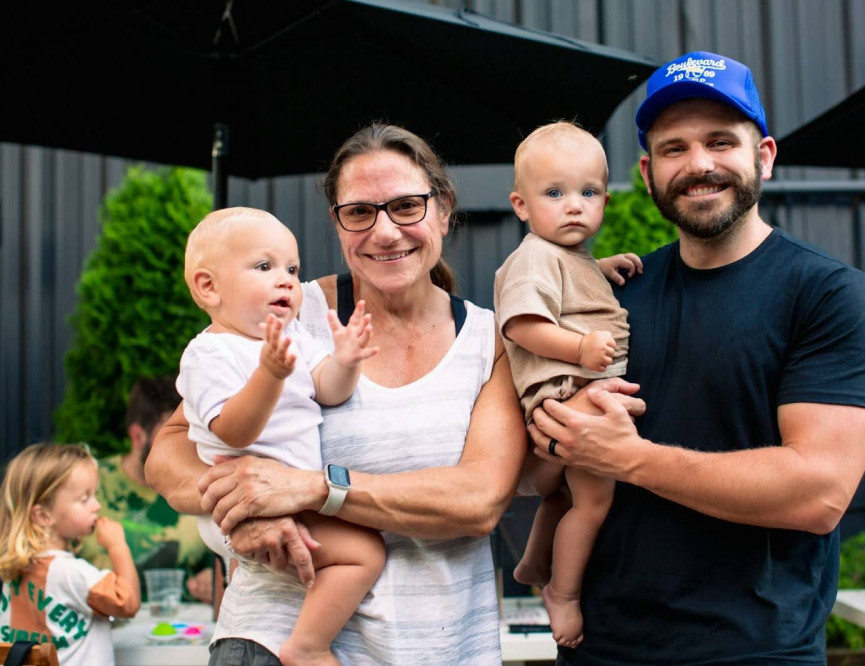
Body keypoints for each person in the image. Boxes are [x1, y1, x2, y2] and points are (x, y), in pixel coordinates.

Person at [147, 123, 626, 665]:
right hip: (272, 643)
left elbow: (479, 500)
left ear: (444, 211)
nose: (385, 232)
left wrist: (312, 489)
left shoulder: (491, 339)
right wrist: (244, 514)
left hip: (442, 650)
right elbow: (170, 452)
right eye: (360, 212)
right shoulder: (281, 312)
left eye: (406, 206)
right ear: (338, 222)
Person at [525, 51, 865, 665]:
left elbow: (819, 493)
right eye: (674, 148)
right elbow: (543, 452)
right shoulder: (614, 297)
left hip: (754, 651)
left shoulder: (825, 294)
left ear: (764, 156)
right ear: (646, 173)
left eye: (721, 142)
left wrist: (630, 457)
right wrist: (553, 432)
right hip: (600, 646)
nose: (699, 164)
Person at [178, 206, 385, 666]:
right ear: (208, 287)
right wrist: (270, 375)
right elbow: (233, 430)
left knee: (362, 551)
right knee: (364, 553)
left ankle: (308, 638)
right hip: (247, 507)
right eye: (264, 266)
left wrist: (346, 362)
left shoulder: (291, 336)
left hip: (291, 497)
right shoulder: (208, 354)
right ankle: (308, 647)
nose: (287, 280)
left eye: (292, 268)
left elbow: (328, 389)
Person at [494, 121, 640, 648]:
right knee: (594, 504)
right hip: (570, 398)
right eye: (554, 193)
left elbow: (564, 287)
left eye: (589, 192)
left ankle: (534, 562)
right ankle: (564, 593)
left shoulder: (562, 257)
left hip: (574, 398)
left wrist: (599, 268)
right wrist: (580, 349)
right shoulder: (534, 258)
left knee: (563, 497)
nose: (574, 205)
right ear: (521, 205)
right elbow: (522, 324)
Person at [77, 376, 217, 606]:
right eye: (171, 436)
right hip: (103, 625)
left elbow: (222, 560)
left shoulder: (203, 487)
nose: (189, 444)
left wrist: (216, 581)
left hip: (182, 632)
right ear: (137, 436)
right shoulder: (88, 485)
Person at [0, 443, 141, 666]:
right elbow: (128, 603)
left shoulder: (13, 571)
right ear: (44, 516)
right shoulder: (70, 572)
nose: (97, 505)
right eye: (84, 499)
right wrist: (118, 546)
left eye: (94, 495)